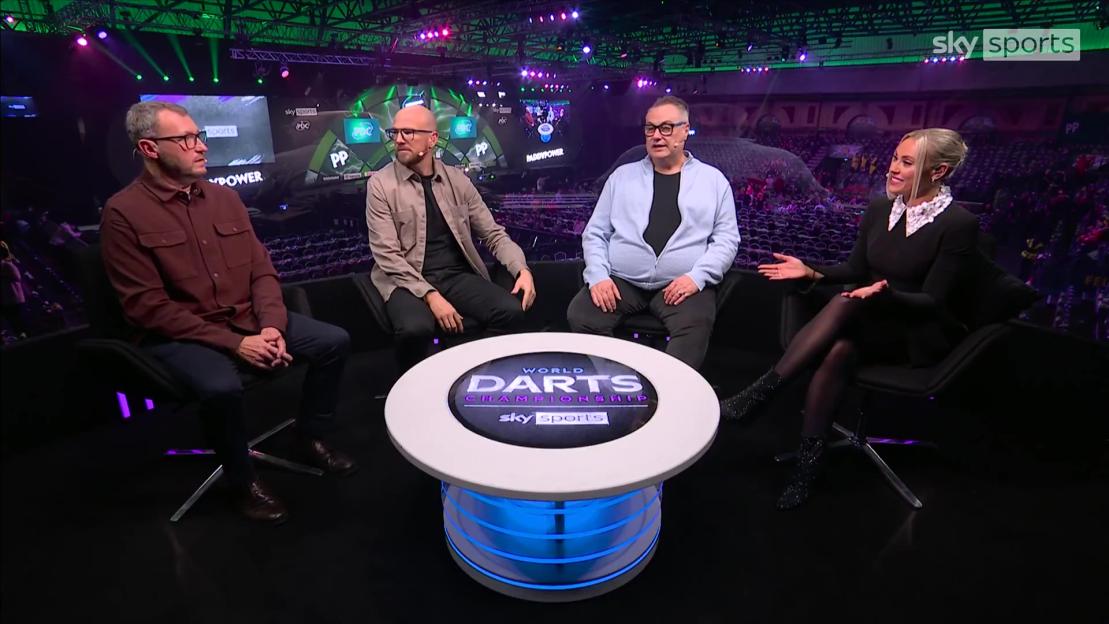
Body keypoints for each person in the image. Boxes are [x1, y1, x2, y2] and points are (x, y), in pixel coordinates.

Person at [100, 101, 356, 524]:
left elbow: (262, 272)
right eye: (185, 139)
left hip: (249, 322)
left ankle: (309, 437)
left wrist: (271, 327)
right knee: (221, 387)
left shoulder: (225, 197)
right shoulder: (122, 213)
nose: (201, 146)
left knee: (334, 341)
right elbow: (147, 308)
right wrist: (237, 344)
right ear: (148, 148)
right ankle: (242, 480)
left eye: (199, 136)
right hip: (182, 335)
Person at [720, 128, 977, 510]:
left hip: (910, 328)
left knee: (846, 304)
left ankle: (761, 393)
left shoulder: (958, 224)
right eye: (895, 158)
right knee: (840, 348)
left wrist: (885, 294)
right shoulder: (879, 209)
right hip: (863, 316)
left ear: (937, 172)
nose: (892, 168)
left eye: (907, 162)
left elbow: (933, 302)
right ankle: (807, 468)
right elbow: (855, 267)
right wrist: (810, 272)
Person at [567, 95, 739, 369]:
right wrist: (598, 276)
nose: (657, 136)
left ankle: (670, 394)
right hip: (623, 280)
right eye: (650, 128)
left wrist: (697, 277)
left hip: (681, 284)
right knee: (582, 314)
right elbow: (595, 233)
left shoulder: (714, 181)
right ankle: (618, 383)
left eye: (666, 128)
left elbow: (727, 240)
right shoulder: (621, 177)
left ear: (685, 131)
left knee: (696, 324)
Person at [366, 105, 535, 372]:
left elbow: (493, 234)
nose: (398, 140)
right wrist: (431, 296)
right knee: (415, 329)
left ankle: (476, 376)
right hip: (405, 278)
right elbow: (388, 257)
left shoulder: (457, 181)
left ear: (432, 139)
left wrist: (521, 269)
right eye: (394, 132)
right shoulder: (380, 185)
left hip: (455, 276)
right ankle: (413, 391)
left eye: (408, 132)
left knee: (510, 311)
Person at [1, 241, 29, 339]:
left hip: (13, 298)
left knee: (17, 320)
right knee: (12, 320)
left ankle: (23, 336)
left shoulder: (7, 265)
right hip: (6, 299)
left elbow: (17, 277)